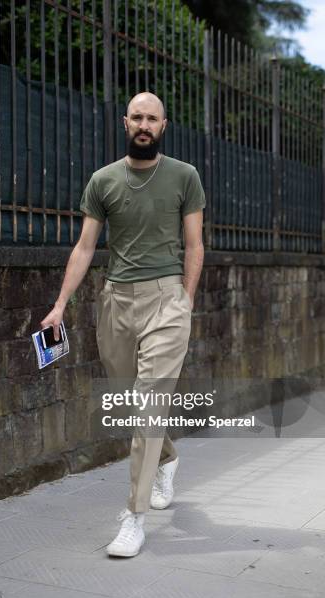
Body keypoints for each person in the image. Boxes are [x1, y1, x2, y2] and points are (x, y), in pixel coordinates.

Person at [41, 91, 205, 557]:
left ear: (164, 125)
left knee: (150, 405)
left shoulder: (184, 177)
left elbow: (194, 245)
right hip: (116, 301)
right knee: (130, 403)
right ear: (125, 122)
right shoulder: (103, 181)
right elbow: (84, 248)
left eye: (152, 118)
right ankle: (168, 458)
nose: (144, 125)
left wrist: (185, 300)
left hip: (166, 301)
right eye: (137, 117)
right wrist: (60, 305)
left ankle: (134, 517)